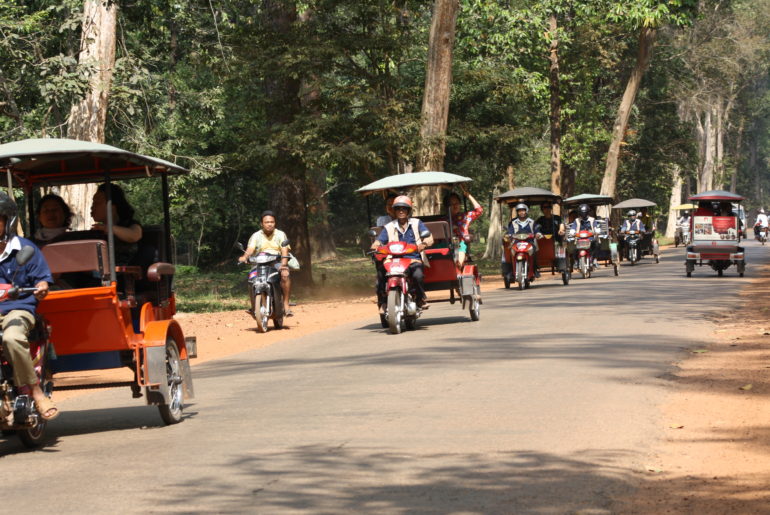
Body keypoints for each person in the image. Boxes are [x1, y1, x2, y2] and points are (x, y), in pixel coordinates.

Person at [0, 191, 57, 420]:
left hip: (18, 309)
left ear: (8, 220)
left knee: (12, 338)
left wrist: (42, 286)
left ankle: (35, 391)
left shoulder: (26, 249)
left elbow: (42, 279)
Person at [371, 195, 434, 308]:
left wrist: (423, 244)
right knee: (380, 275)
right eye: (398, 208)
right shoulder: (389, 226)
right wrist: (375, 245)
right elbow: (380, 240)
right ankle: (383, 303)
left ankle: (420, 299)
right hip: (393, 261)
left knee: (418, 275)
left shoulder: (417, 223)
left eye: (404, 208)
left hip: (413, 259)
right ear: (394, 211)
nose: (401, 211)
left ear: (408, 210)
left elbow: (429, 237)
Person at [239, 211, 293, 316]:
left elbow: (284, 250)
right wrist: (244, 257)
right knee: (251, 278)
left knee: (285, 276)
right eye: (267, 222)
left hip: (276, 261)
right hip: (259, 263)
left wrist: (284, 265)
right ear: (262, 224)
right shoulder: (256, 235)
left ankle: (286, 304)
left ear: (275, 223)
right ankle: (254, 305)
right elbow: (250, 249)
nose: (269, 224)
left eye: (272, 222)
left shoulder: (280, 234)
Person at [90, 183, 142, 265]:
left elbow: (135, 235)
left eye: (97, 202)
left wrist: (109, 229)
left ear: (112, 206)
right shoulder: (96, 231)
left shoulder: (130, 224)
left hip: (123, 274)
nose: (92, 207)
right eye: (93, 202)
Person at [445, 185, 483, 268]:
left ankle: (458, 265)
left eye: (457, 203)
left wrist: (468, 195)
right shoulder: (443, 220)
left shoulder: (465, 217)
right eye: (451, 204)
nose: (455, 206)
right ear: (447, 206)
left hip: (460, 243)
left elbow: (479, 210)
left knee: (461, 247)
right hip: (445, 244)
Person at [506, 203, 542, 277]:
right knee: (510, 253)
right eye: (519, 211)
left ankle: (534, 269)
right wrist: (508, 235)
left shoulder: (532, 222)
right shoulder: (513, 222)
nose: (521, 212)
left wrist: (538, 234)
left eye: (523, 210)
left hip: (529, 242)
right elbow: (510, 231)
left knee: (534, 252)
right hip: (516, 242)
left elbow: (536, 230)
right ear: (517, 212)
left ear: (526, 211)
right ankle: (510, 270)